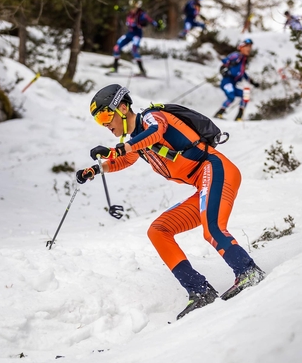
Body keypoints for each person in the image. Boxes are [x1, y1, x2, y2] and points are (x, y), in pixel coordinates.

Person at [75, 84, 265, 320]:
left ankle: (248, 272)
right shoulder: (136, 140)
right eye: (98, 120)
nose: (104, 124)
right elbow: (124, 159)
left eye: (105, 115)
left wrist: (123, 147)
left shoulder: (151, 118)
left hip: (215, 169)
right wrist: (95, 169)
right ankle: (200, 291)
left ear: (123, 108)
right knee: (158, 230)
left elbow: (156, 132)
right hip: (202, 183)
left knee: (212, 229)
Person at [110, 0, 160, 77]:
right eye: (131, 8)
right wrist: (117, 8)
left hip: (137, 34)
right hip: (129, 33)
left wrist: (157, 25)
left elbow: (150, 20)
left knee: (134, 50)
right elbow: (122, 9)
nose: (132, 9)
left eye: (134, 8)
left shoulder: (141, 14)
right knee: (116, 47)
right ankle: (115, 68)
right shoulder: (129, 11)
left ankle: (142, 70)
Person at [213, 38, 260, 121]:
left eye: (250, 47)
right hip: (227, 82)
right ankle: (219, 114)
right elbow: (223, 63)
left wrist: (252, 82)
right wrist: (223, 70)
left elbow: (243, 74)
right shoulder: (236, 55)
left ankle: (239, 116)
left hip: (233, 84)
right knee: (231, 97)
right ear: (241, 47)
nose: (249, 49)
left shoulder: (244, 61)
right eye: (247, 46)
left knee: (245, 95)